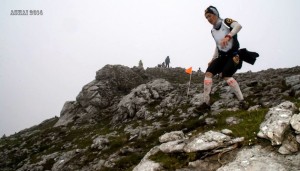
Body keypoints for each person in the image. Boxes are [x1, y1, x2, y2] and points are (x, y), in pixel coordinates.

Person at [202, 6, 247, 109]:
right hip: (222, 56)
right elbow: (218, 46)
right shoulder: (213, 31)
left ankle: (242, 101)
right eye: (206, 18)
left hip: (234, 55)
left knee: (226, 75)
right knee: (208, 73)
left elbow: (238, 26)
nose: (208, 19)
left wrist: (228, 36)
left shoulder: (226, 22)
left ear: (215, 14)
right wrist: (213, 59)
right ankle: (206, 103)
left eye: (209, 16)